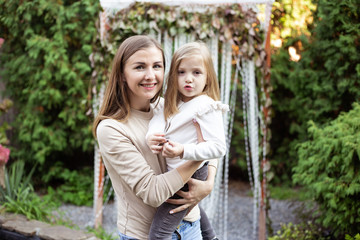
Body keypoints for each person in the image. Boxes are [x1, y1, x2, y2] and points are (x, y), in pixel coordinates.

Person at [93, 35, 217, 240]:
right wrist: (198, 156)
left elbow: (211, 141)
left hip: (190, 227)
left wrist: (208, 183)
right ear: (122, 74)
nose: (150, 75)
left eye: (157, 66)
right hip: (143, 235)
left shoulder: (167, 107)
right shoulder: (111, 129)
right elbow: (152, 193)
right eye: (140, 67)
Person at [146, 41, 228, 240]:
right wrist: (152, 135)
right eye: (181, 72)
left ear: (208, 77)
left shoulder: (206, 106)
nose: (188, 79)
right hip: (177, 171)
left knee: (158, 234)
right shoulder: (176, 102)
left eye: (196, 73)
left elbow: (218, 148)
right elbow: (159, 118)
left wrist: (183, 150)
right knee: (190, 209)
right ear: (173, 76)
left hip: (191, 170)